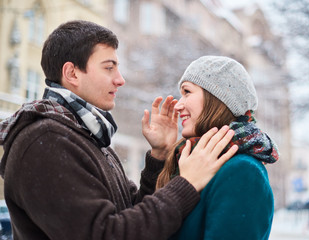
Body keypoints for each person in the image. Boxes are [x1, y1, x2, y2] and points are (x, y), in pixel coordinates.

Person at [0, 21, 238, 240]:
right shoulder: (47, 142)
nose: (120, 79)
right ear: (72, 73)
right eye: (109, 67)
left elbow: (131, 214)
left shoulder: (85, 134)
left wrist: (159, 155)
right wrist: (186, 183)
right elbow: (107, 234)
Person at [151, 56, 280, 240]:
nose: (178, 105)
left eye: (187, 92)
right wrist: (160, 154)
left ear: (217, 97)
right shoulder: (192, 163)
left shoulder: (243, 171)